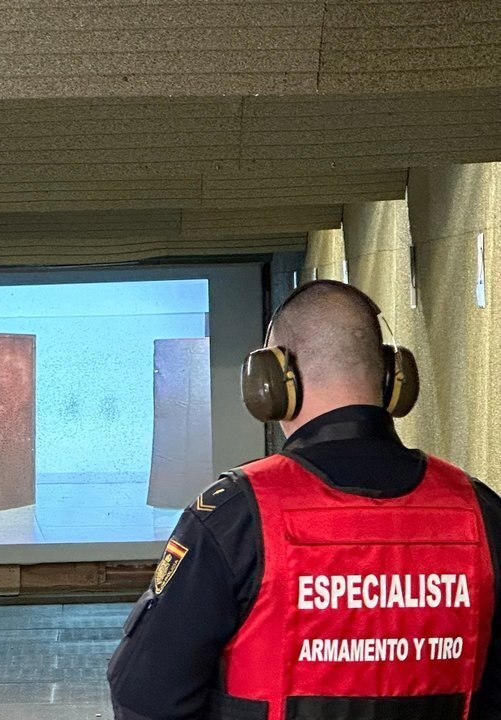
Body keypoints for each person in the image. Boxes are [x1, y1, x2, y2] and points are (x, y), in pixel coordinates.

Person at [108, 280, 501, 720]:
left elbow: (145, 695)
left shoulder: (235, 515)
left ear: (272, 381)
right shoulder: (479, 511)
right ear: (394, 378)